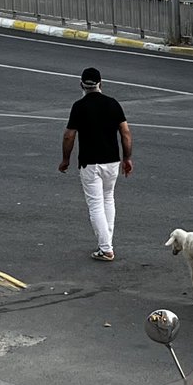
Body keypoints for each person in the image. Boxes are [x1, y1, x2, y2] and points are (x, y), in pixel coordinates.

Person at [58, 66, 133, 262]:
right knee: (108, 199)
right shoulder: (113, 104)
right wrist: (127, 158)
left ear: (81, 85)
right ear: (101, 84)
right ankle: (106, 242)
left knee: (95, 205)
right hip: (112, 162)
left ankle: (106, 248)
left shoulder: (79, 106)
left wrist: (66, 159)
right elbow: (125, 133)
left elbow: (69, 136)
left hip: (90, 163)